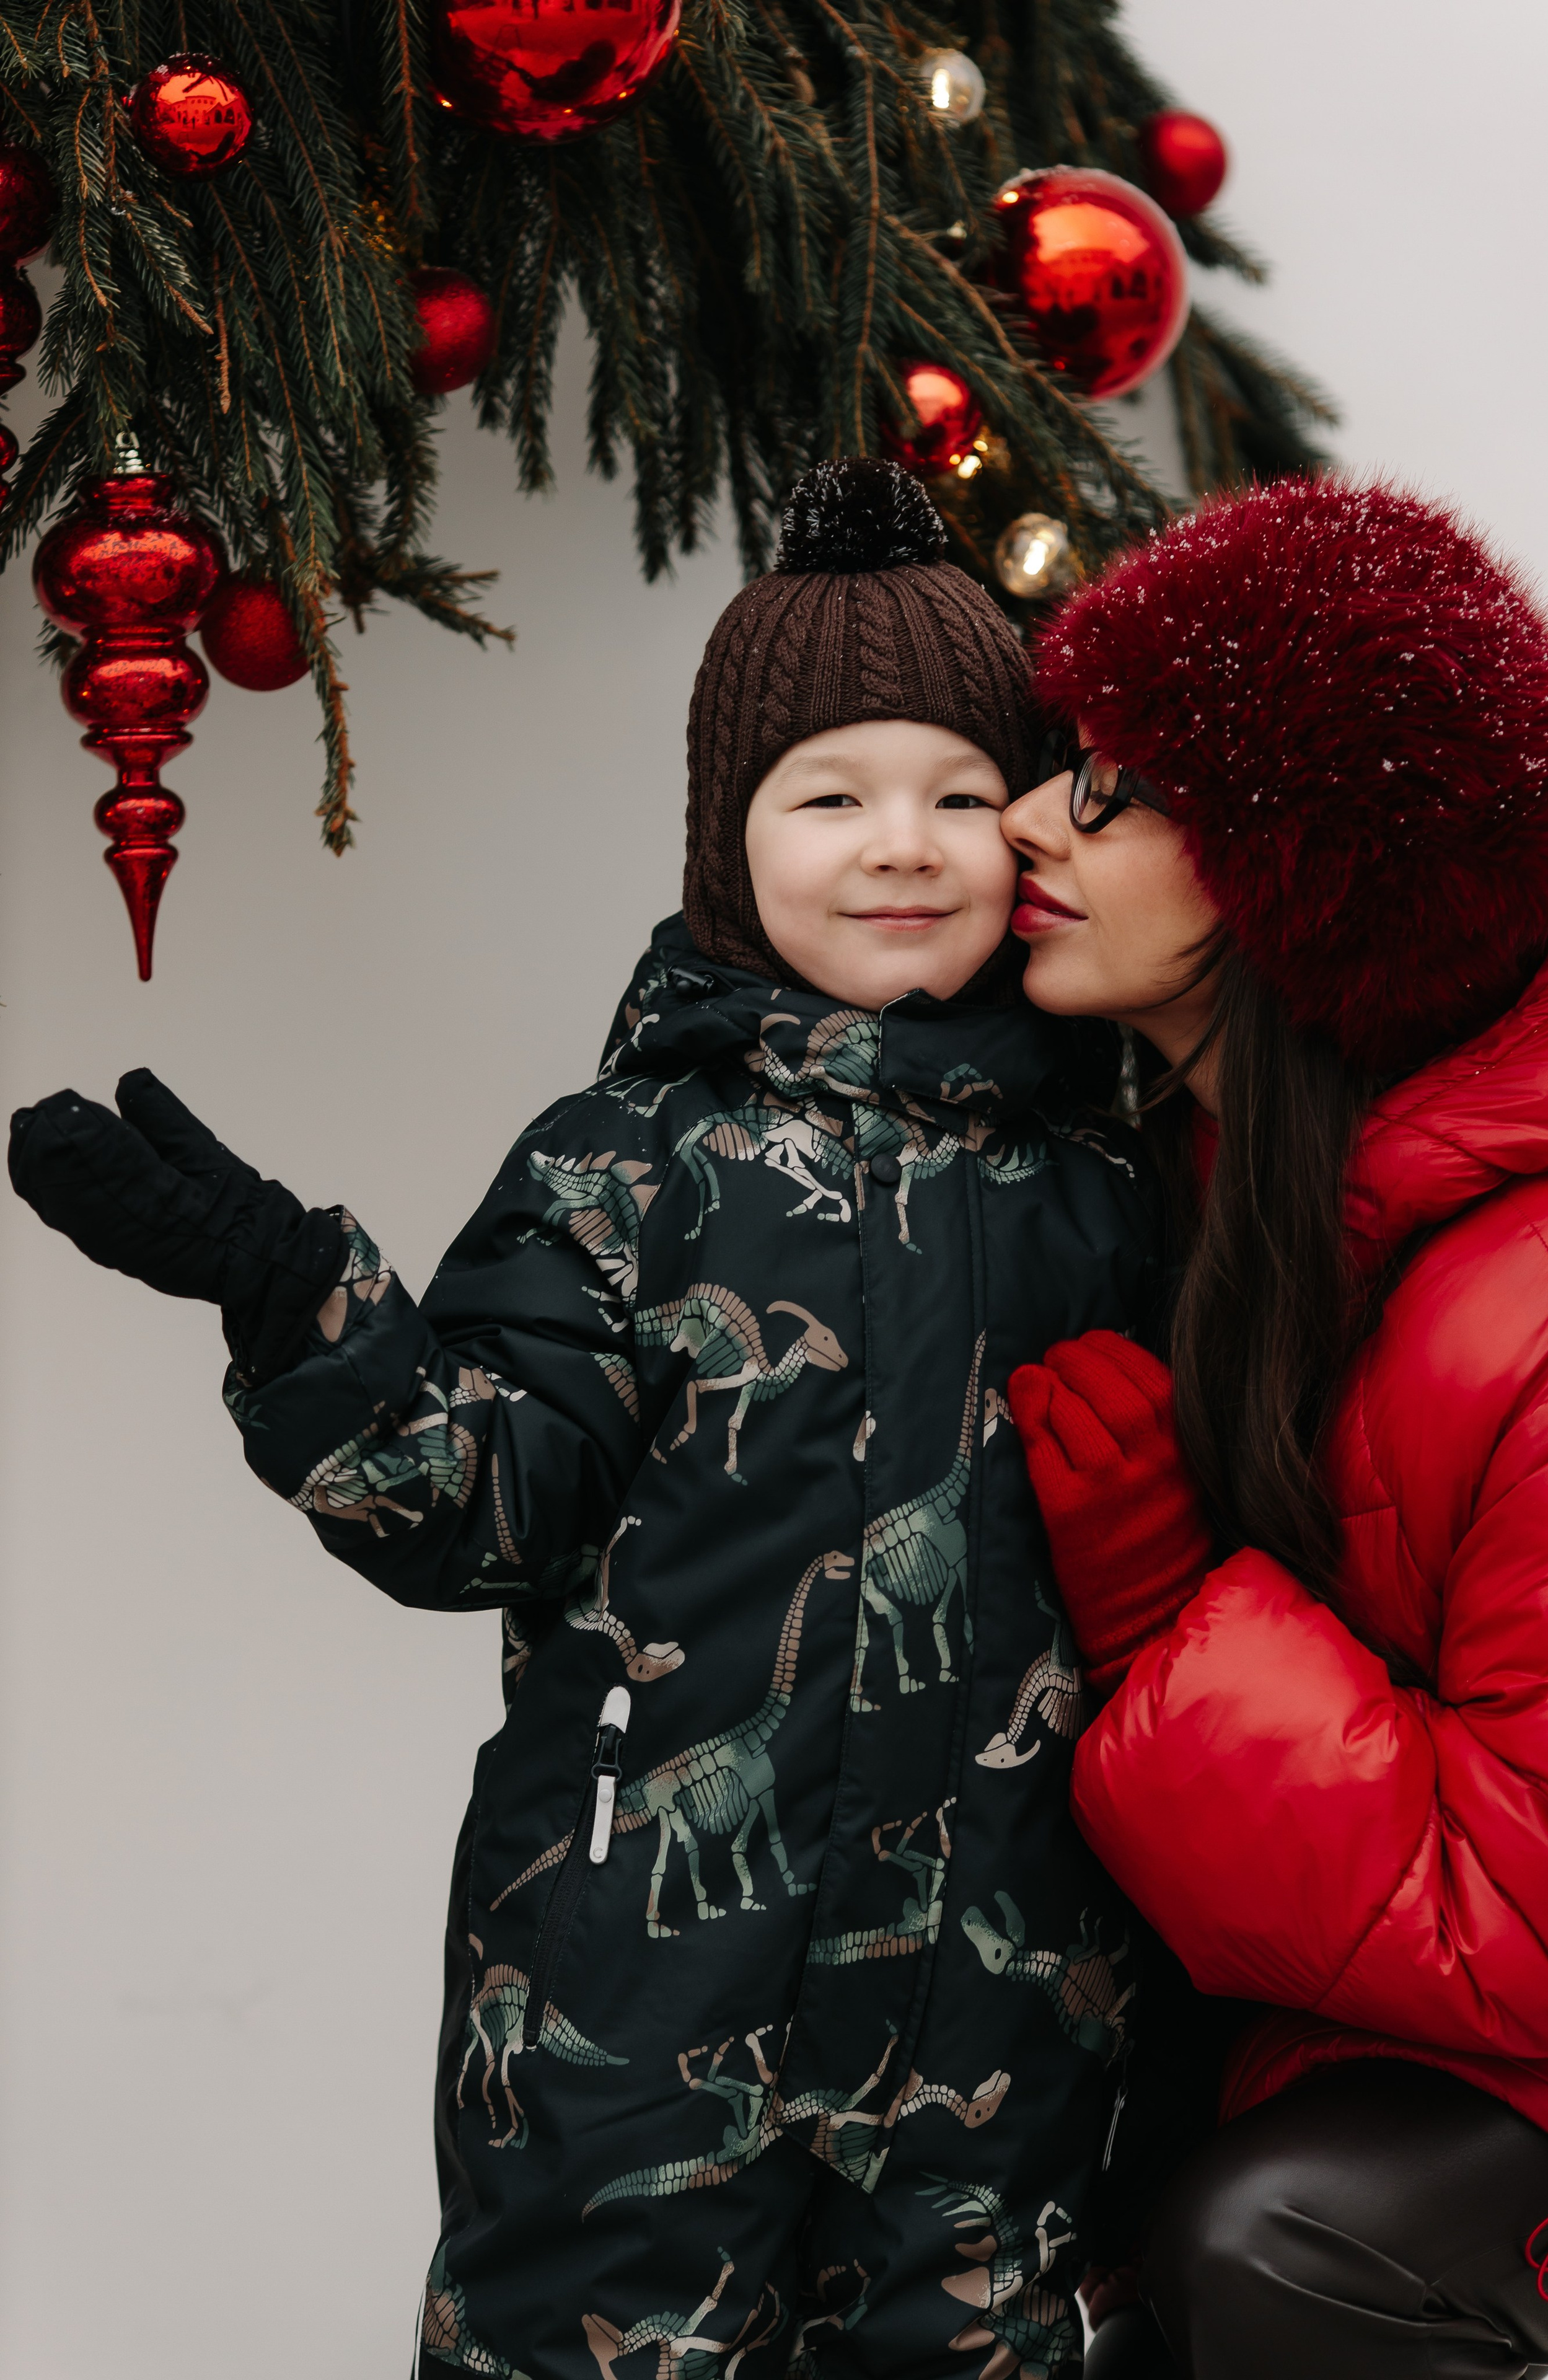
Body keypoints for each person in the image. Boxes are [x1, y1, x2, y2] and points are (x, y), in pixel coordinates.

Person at [11, 459, 1168, 2380]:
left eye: (962, 794)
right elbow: (486, 1499)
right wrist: (293, 1297)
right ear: (730, 841)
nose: (904, 842)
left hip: (1004, 2022)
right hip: (638, 1990)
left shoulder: (1107, 1188)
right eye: (833, 796)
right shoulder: (630, 1169)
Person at [1001, 474, 1548, 2380]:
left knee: (1270, 2243)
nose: (1028, 820)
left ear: (1301, 868)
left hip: (1541, 2061)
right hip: (1356, 2016)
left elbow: (1535, 1917)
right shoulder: (1200, 1183)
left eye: (1118, 788)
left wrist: (1178, 1616)